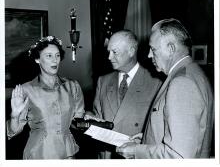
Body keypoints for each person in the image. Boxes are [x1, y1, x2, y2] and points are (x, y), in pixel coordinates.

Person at [116, 18, 214, 158]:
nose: (149, 55)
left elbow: (179, 156)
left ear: (171, 49)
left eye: (153, 49)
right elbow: (189, 135)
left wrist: (136, 151)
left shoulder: (182, 83)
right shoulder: (194, 72)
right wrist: (147, 140)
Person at [85, 30, 162, 159]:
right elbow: (99, 116)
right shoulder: (103, 81)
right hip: (107, 156)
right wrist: (90, 117)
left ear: (131, 51)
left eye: (114, 52)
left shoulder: (155, 83)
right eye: (108, 52)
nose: (109, 57)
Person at [7, 36, 85, 159]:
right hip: (40, 153)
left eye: (57, 55)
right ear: (37, 59)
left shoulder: (72, 86)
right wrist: (15, 115)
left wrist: (90, 118)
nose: (55, 60)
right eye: (49, 56)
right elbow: (13, 131)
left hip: (68, 153)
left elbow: (78, 121)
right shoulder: (26, 89)